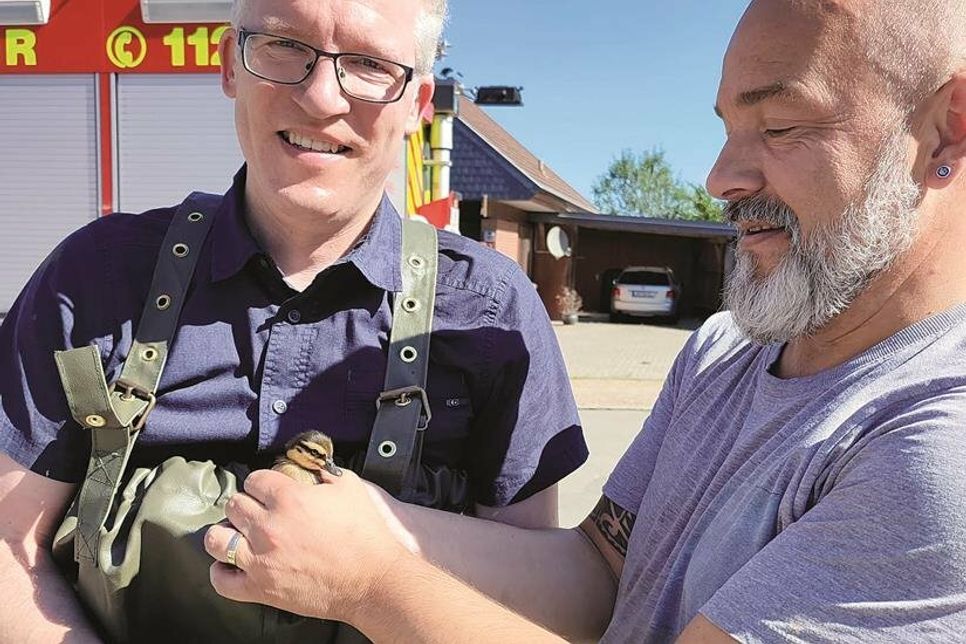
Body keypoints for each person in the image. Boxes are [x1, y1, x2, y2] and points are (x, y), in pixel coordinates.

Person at [204, 0, 966, 641]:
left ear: (948, 129)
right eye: (730, 128)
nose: (720, 179)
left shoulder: (938, 450)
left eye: (781, 126)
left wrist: (368, 582)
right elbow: (601, 569)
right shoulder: (725, 353)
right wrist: (365, 518)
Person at [0, 0, 588, 639]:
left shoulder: (491, 310)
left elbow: (543, 596)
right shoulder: (94, 279)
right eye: (284, 46)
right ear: (231, 64)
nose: (318, 96)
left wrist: (376, 566)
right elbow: (9, 545)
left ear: (418, 104)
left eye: (367, 64)